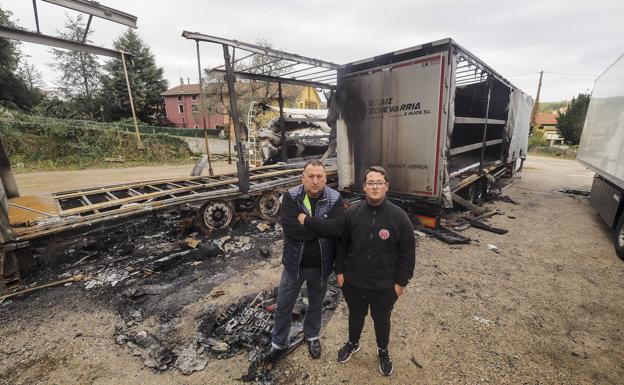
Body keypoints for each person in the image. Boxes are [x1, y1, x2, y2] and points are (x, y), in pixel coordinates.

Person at [335, 166, 416, 376]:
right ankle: (353, 343)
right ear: (364, 186)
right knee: (356, 315)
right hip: (354, 282)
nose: (375, 187)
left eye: (379, 182)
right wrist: (340, 273)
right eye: (370, 183)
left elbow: (407, 253)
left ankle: (383, 350)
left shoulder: (399, 217)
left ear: (386, 186)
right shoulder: (352, 213)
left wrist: (401, 284)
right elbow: (342, 244)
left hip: (384, 285)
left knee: (382, 320)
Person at [265, 159, 345, 362]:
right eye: (311, 176)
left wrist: (308, 222)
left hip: (322, 266)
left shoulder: (334, 198)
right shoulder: (291, 198)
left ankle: (312, 336)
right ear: (303, 178)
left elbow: (337, 229)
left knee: (316, 305)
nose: (315, 181)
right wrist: (321, 229)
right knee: (284, 305)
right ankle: (278, 342)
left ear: (325, 178)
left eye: (319, 176)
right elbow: (292, 230)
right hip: (294, 266)